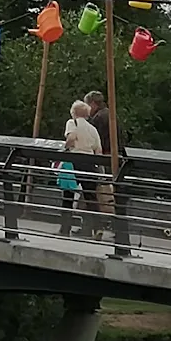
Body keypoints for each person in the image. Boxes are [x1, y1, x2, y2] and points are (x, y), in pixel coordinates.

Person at [60, 100, 101, 235]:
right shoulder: (92, 128)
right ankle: (97, 228)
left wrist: (65, 148)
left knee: (68, 195)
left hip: (74, 162)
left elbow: (71, 138)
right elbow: (98, 150)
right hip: (89, 163)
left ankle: (65, 229)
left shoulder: (72, 123)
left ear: (74, 112)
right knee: (91, 197)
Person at [83, 90, 115, 218]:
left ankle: (94, 224)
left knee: (96, 193)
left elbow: (95, 141)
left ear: (92, 104)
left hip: (103, 159)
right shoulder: (110, 114)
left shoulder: (98, 118)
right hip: (114, 157)